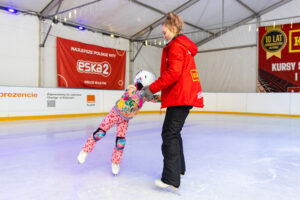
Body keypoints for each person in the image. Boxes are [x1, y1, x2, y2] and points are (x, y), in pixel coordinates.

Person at [143, 12, 204, 190]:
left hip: (181, 97)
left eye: (165, 33)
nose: (163, 36)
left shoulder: (177, 46)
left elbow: (173, 74)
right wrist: (159, 94)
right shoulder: (183, 46)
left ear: (174, 28)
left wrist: (151, 88)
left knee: (169, 134)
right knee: (174, 133)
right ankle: (179, 170)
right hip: (182, 95)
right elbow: (179, 77)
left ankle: (170, 178)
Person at [77, 70, 160, 175]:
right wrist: (144, 93)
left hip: (125, 119)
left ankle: (115, 162)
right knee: (100, 133)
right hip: (114, 114)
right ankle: (85, 151)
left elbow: (156, 99)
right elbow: (132, 94)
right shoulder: (131, 88)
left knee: (121, 142)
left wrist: (166, 97)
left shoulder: (145, 96)